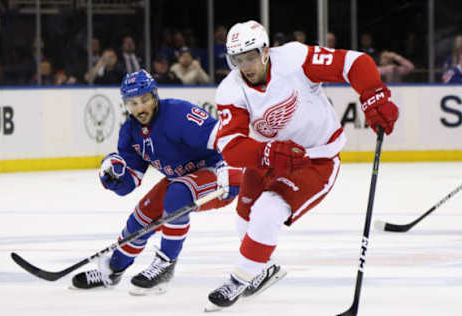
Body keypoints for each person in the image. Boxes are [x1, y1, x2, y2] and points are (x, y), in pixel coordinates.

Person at [206, 20, 399, 310]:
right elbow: (230, 146)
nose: (245, 66)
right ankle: (263, 268)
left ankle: (239, 277)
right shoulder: (230, 90)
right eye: (238, 59)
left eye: (250, 57)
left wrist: (372, 93)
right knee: (244, 217)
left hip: (315, 158)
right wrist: (268, 153)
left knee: (268, 210)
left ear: (265, 51)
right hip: (271, 158)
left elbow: (355, 62)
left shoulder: (294, 59)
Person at [71, 70, 242, 295]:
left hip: (217, 175)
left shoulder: (180, 113)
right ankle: (113, 269)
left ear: (154, 95)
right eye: (132, 102)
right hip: (181, 179)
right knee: (141, 216)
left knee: (177, 194)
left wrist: (231, 169)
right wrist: (114, 175)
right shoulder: (130, 132)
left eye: (144, 100)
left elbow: (222, 138)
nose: (139, 108)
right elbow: (129, 182)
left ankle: (165, 265)